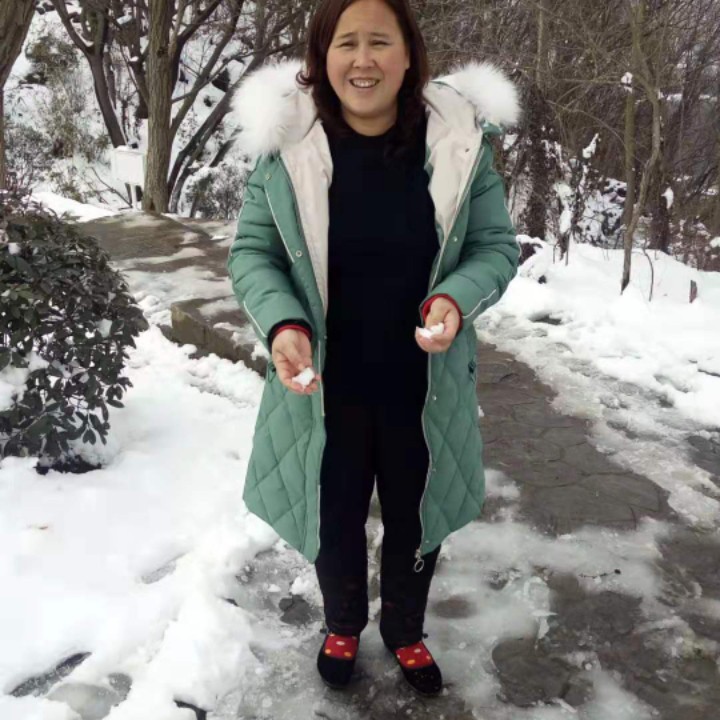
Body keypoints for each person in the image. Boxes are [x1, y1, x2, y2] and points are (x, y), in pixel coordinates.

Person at [227, 0, 520, 697]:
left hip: (424, 383)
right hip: (324, 386)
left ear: (409, 53)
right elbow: (252, 255)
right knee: (332, 513)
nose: (363, 60)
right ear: (321, 58)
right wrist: (284, 324)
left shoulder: (458, 143)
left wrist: (455, 299)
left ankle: (405, 630)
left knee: (418, 513)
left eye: (379, 42)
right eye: (346, 43)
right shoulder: (287, 148)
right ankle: (342, 624)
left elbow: (495, 247)